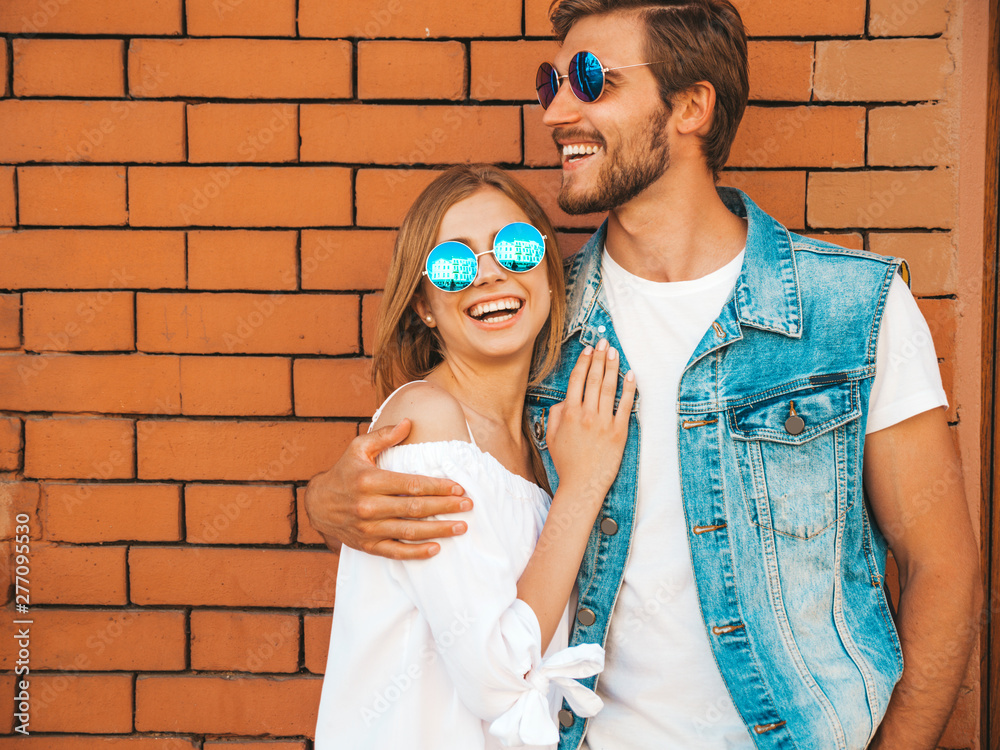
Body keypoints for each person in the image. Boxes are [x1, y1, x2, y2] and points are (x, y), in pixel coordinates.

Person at [305, 2, 981, 749]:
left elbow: (941, 569)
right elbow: (441, 453)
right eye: (551, 83)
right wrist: (331, 502)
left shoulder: (852, 309)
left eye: (592, 80)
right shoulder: (534, 324)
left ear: (691, 106)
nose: (558, 110)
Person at [312, 164, 637, 749]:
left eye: (514, 248)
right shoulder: (427, 424)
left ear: (549, 275)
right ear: (424, 306)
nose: (487, 274)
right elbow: (498, 675)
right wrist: (584, 485)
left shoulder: (535, 446)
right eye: (454, 264)